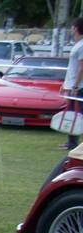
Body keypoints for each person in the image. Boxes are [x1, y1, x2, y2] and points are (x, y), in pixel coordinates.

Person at [62, 17, 83, 149]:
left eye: (72, 26)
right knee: (70, 114)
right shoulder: (77, 45)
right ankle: (71, 141)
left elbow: (82, 67)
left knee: (78, 114)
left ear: (76, 28)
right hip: (71, 85)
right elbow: (72, 68)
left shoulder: (82, 46)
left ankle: (73, 142)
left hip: (78, 87)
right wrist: (65, 85)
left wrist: (75, 85)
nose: (71, 29)